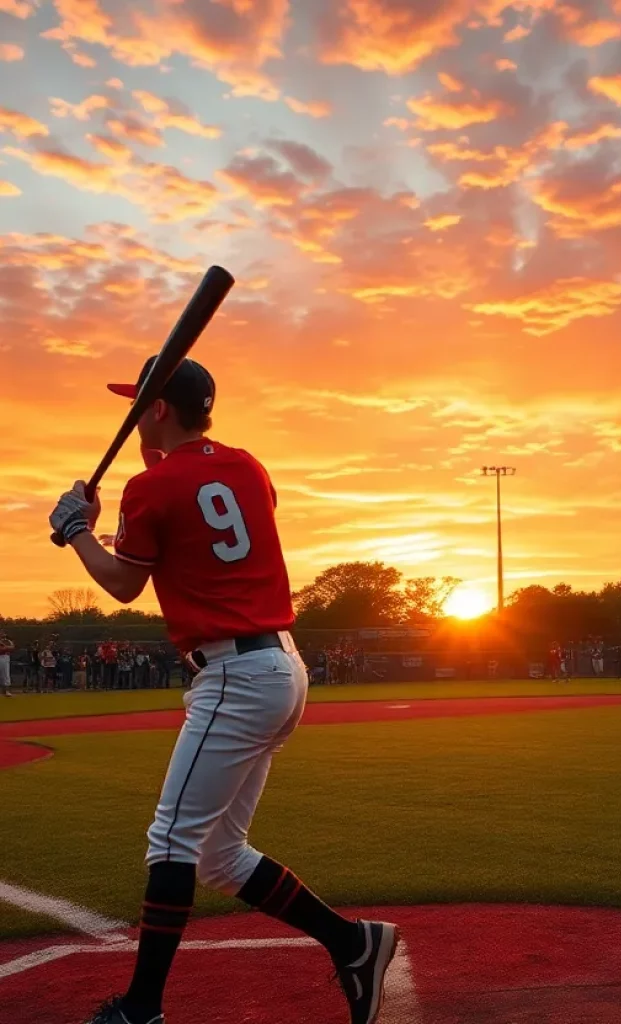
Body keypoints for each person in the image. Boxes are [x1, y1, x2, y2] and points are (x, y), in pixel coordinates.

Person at [48, 356, 398, 1024]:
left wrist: (76, 531)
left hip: (235, 676)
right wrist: (109, 514)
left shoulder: (149, 487)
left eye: (137, 404)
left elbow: (124, 583)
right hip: (281, 670)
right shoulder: (248, 466)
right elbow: (208, 512)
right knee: (218, 853)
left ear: (156, 409)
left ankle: (141, 1010)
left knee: (172, 840)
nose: (129, 414)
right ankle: (354, 944)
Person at [0, 632, 13, 697]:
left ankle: (7, 691)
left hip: (5, 657)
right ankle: (3, 690)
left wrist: (5, 647)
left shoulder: (8, 641)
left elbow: (12, 647)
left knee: (6, 673)